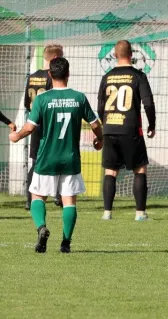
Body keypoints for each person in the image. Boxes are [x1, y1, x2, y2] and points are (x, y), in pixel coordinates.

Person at [9, 57, 103, 253]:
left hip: (47, 157)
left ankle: (42, 228)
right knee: (69, 200)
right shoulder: (79, 98)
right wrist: (99, 139)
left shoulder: (42, 99)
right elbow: (95, 124)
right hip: (70, 158)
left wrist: (16, 136)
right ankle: (66, 243)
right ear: (68, 74)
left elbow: (29, 128)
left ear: (50, 75)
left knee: (37, 196)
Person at [97, 40, 156, 221]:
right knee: (139, 169)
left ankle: (107, 212)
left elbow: (100, 106)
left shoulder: (107, 77)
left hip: (109, 128)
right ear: (132, 54)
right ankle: (140, 213)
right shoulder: (138, 76)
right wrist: (152, 124)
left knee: (110, 170)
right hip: (130, 129)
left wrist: (105, 124)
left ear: (115, 55)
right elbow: (148, 103)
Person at [23, 44, 63, 210]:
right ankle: (60, 196)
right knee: (59, 158)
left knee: (35, 162)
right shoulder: (51, 78)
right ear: (55, 59)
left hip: (35, 125)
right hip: (49, 125)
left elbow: (27, 103)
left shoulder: (32, 76)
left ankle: (29, 199)